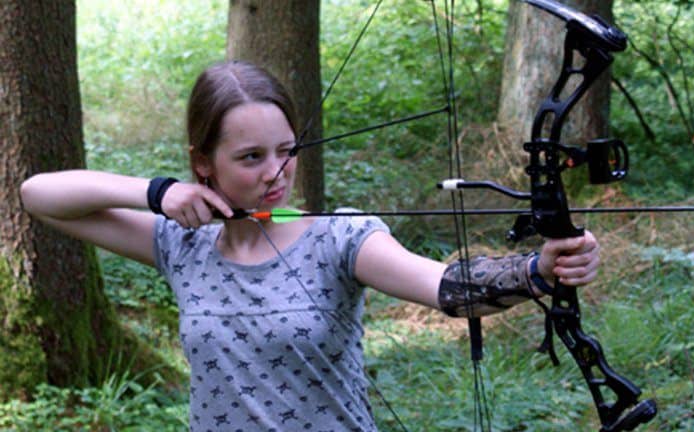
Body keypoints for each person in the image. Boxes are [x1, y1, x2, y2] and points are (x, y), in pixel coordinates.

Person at [20, 60, 600, 431]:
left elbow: (445, 287)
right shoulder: (182, 244)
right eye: (251, 157)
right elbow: (38, 195)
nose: (277, 172)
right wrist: (158, 193)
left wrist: (538, 270)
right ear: (204, 164)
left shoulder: (339, 236)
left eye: (286, 150)